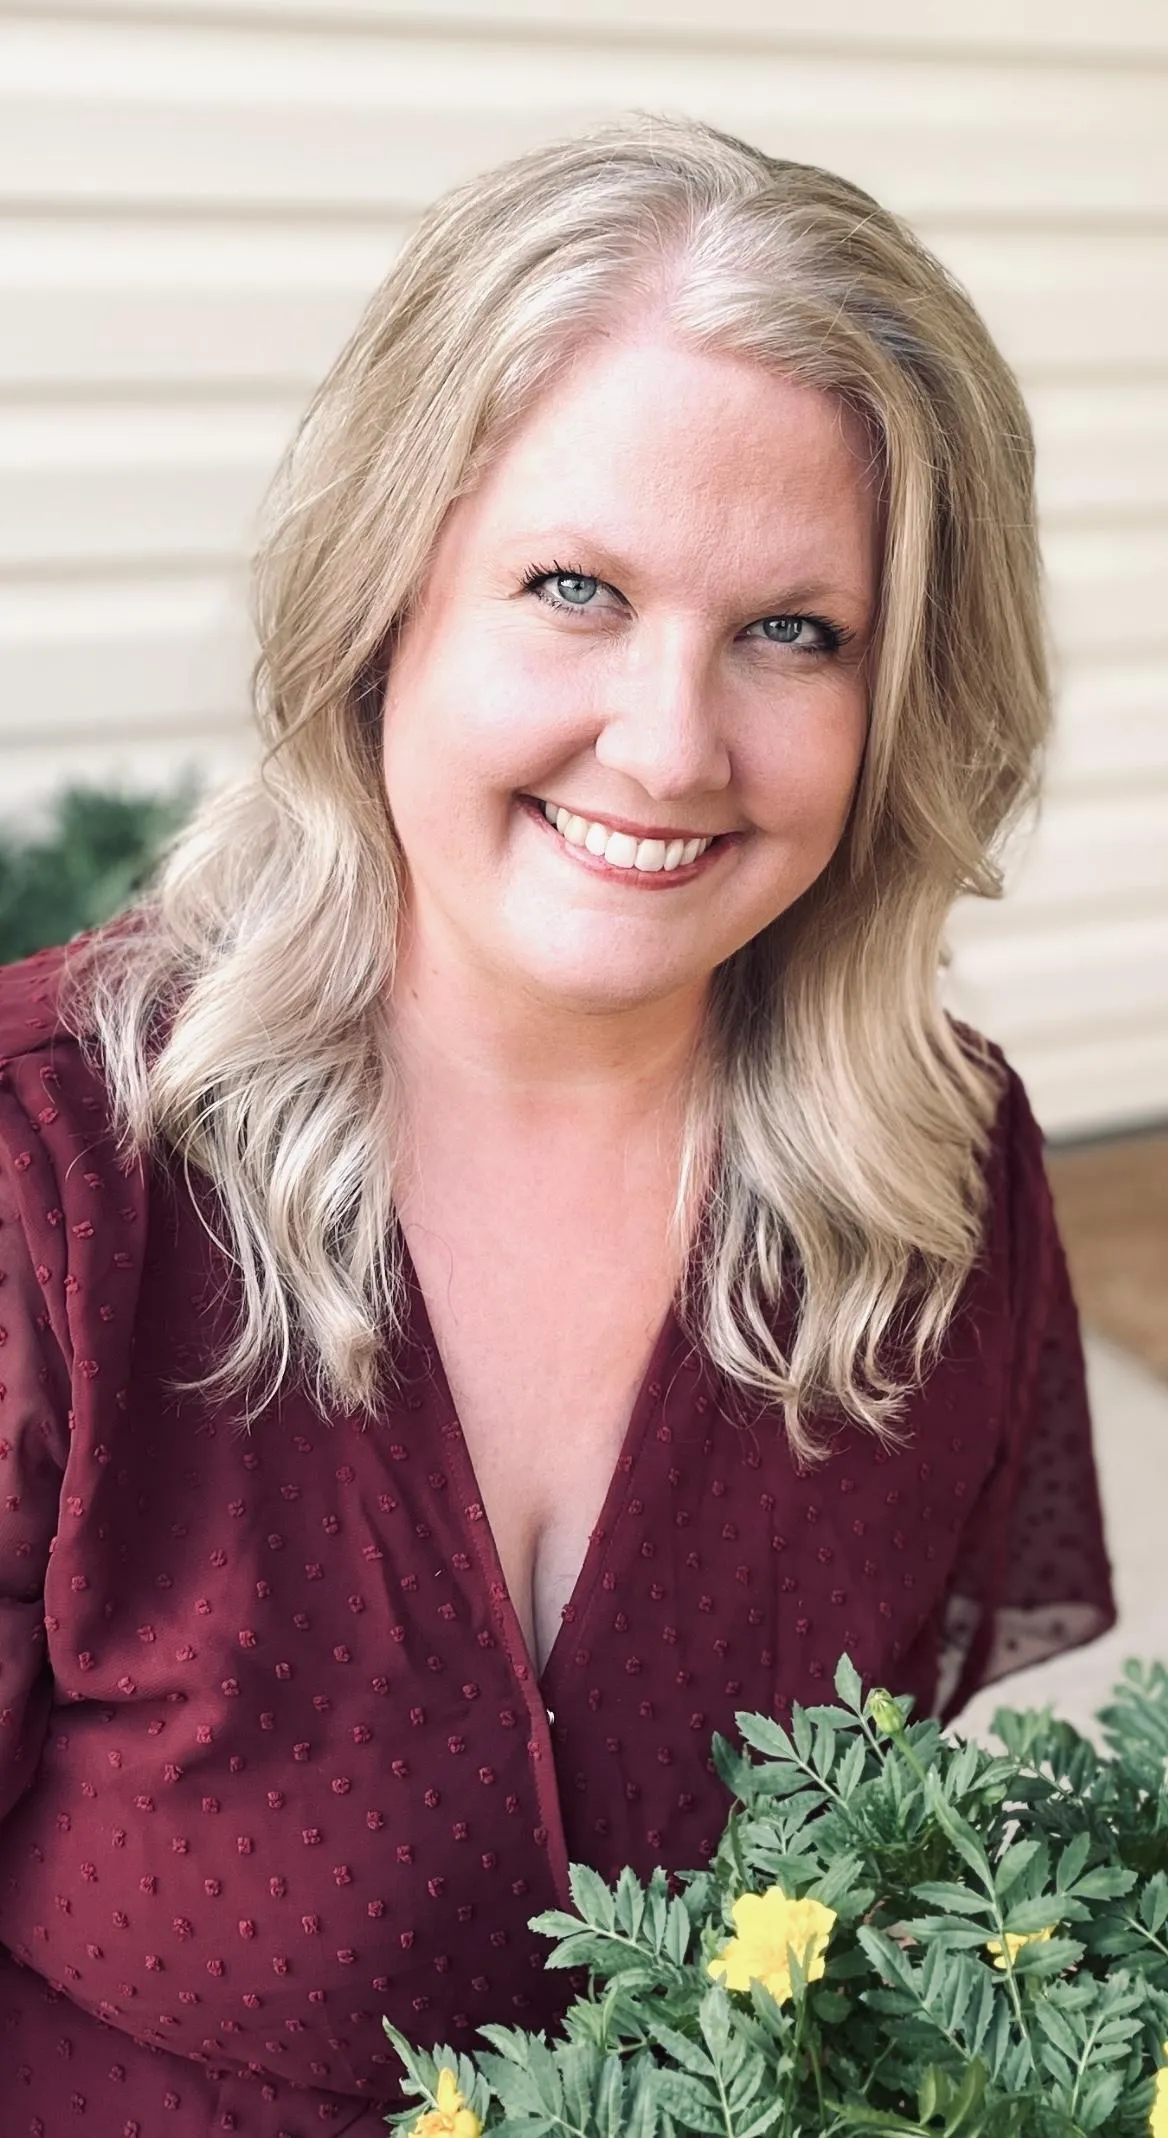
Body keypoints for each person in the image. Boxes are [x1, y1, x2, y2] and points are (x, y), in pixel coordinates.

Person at [0, 114, 1114, 2135]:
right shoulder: (48, 1184)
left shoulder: (931, 1192)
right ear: (384, 595)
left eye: (795, 630)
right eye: (574, 586)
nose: (671, 744)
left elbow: (869, 1926)